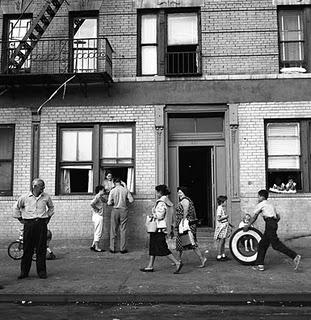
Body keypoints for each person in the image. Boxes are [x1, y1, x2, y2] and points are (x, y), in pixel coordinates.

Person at [244, 189, 301, 271]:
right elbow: (278, 217)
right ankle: (260, 265)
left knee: (276, 245)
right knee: (262, 245)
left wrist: (248, 225)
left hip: (269, 224)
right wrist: (273, 223)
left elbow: (255, 216)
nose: (258, 198)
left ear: (261, 197)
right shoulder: (270, 204)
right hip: (272, 223)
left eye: (258, 196)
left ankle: (295, 256)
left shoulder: (261, 204)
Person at [13, 178, 54, 279]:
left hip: (41, 225)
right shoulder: (24, 197)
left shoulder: (46, 197)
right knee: (27, 249)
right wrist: (20, 219)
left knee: (41, 249)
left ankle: (42, 272)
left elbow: (51, 207)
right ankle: (24, 272)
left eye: (43, 186)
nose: (43, 188)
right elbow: (16, 207)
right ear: (34, 186)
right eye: (41, 186)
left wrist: (48, 216)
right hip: (29, 225)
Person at [140, 184, 183, 273]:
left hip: (158, 228)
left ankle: (177, 262)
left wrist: (153, 215)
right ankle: (150, 266)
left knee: (162, 248)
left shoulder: (161, 202)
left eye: (157, 191)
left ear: (160, 192)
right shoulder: (167, 202)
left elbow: (160, 215)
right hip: (161, 228)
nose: (156, 193)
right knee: (152, 247)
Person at [175, 186, 207, 268]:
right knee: (180, 243)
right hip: (185, 225)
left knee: (191, 243)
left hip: (186, 226)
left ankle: (202, 258)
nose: (179, 194)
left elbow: (185, 211)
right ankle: (177, 260)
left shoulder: (185, 200)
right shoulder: (186, 200)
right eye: (178, 192)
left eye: (180, 192)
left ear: (184, 192)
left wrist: (183, 222)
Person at [108, 178, 134, 253]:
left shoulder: (112, 191)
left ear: (114, 183)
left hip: (115, 210)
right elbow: (131, 200)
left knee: (113, 229)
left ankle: (112, 248)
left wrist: (114, 202)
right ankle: (122, 249)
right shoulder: (125, 190)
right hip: (124, 210)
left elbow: (109, 203)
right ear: (121, 182)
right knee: (123, 229)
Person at [214, 195, 231, 261]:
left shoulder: (222, 208)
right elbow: (218, 218)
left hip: (224, 226)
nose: (226, 202)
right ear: (222, 202)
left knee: (223, 241)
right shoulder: (219, 208)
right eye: (225, 201)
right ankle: (219, 255)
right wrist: (226, 217)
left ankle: (223, 255)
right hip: (221, 227)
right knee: (221, 241)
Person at [90, 185, 106, 252]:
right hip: (98, 216)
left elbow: (105, 201)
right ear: (100, 190)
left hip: (96, 216)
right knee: (98, 232)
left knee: (96, 231)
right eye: (103, 190)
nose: (104, 191)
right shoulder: (98, 196)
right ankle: (96, 247)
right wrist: (97, 209)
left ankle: (93, 245)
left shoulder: (100, 197)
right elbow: (92, 204)